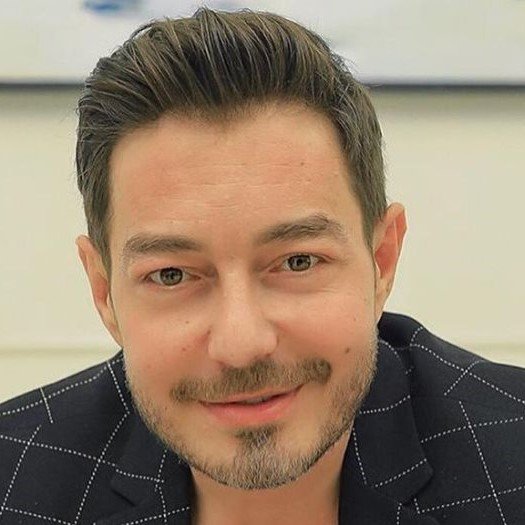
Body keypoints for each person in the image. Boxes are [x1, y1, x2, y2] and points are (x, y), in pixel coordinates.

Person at [0, 8, 524, 525]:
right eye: (171, 275)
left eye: (297, 262)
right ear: (104, 292)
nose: (241, 344)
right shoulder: (14, 481)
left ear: (381, 261)